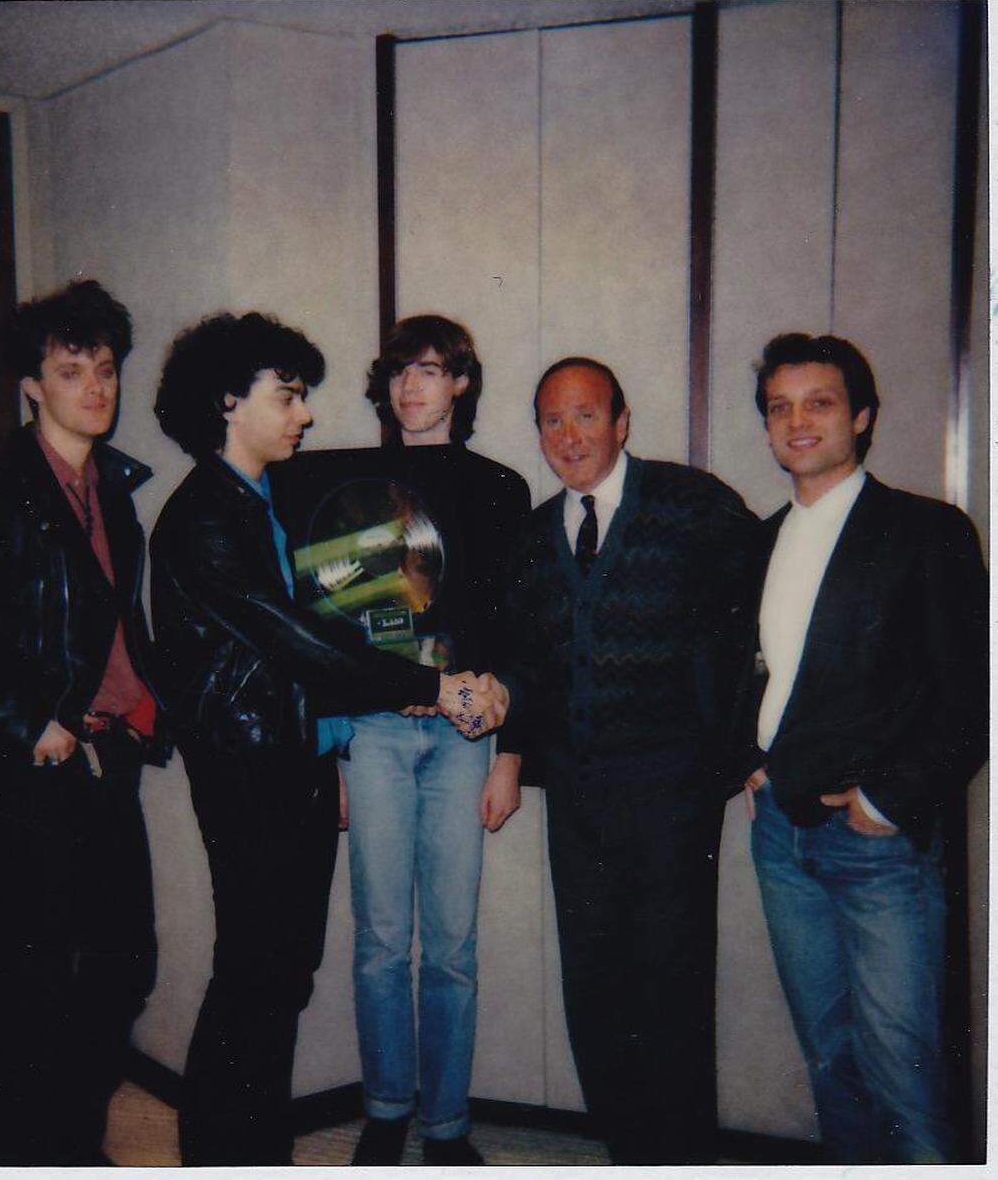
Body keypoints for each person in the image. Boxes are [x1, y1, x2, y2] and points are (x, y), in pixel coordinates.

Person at [148, 311, 507, 1165]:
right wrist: (428, 684)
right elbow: (297, 639)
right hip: (252, 777)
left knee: (279, 977)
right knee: (253, 978)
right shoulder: (205, 513)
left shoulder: (258, 499)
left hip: (295, 766)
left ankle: (254, 1150)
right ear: (231, 401)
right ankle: (222, 1155)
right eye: (289, 395)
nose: (304, 414)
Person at [0, 280, 166, 1164]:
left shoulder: (112, 492)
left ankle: (71, 1138)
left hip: (108, 759)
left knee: (123, 964)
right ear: (32, 386)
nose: (96, 385)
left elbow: (111, 626)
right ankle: (26, 1152)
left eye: (106, 367)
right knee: (35, 979)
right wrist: (25, 723)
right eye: (70, 368)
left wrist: (144, 710)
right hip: (40, 767)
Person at [495, 357, 757, 1164]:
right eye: (550, 420)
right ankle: (627, 1146)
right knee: (594, 979)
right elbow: (523, 660)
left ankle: (678, 1156)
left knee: (671, 980)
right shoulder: (534, 535)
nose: (567, 436)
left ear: (622, 419)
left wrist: (742, 747)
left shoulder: (693, 505)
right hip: (577, 790)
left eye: (583, 415)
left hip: (671, 789)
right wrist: (509, 752)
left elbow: (761, 620)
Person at [737, 333, 987, 1163]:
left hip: (879, 848)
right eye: (780, 407)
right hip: (782, 836)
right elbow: (762, 672)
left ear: (863, 416)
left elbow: (971, 700)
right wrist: (754, 757)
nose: (797, 421)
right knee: (831, 1061)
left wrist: (887, 802)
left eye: (820, 403)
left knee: (906, 1077)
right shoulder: (761, 538)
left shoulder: (926, 531)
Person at [343, 316, 531, 1166]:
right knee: (382, 940)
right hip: (376, 732)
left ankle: (447, 1124)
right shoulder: (349, 481)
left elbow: (520, 628)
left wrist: (513, 754)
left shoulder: (500, 487)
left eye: (429, 370)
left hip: (463, 738)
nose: (411, 387)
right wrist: (333, 750)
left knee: (450, 944)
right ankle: (386, 1108)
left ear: (460, 382)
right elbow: (331, 628)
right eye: (398, 372)